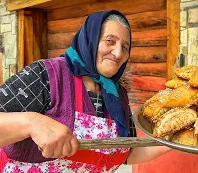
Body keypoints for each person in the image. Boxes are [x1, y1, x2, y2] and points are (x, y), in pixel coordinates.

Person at [0, 10, 171, 172]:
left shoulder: (118, 96)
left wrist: (172, 141)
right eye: (110, 41)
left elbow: (128, 152)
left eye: (125, 47)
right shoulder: (47, 75)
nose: (118, 53)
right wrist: (31, 122)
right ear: (90, 39)